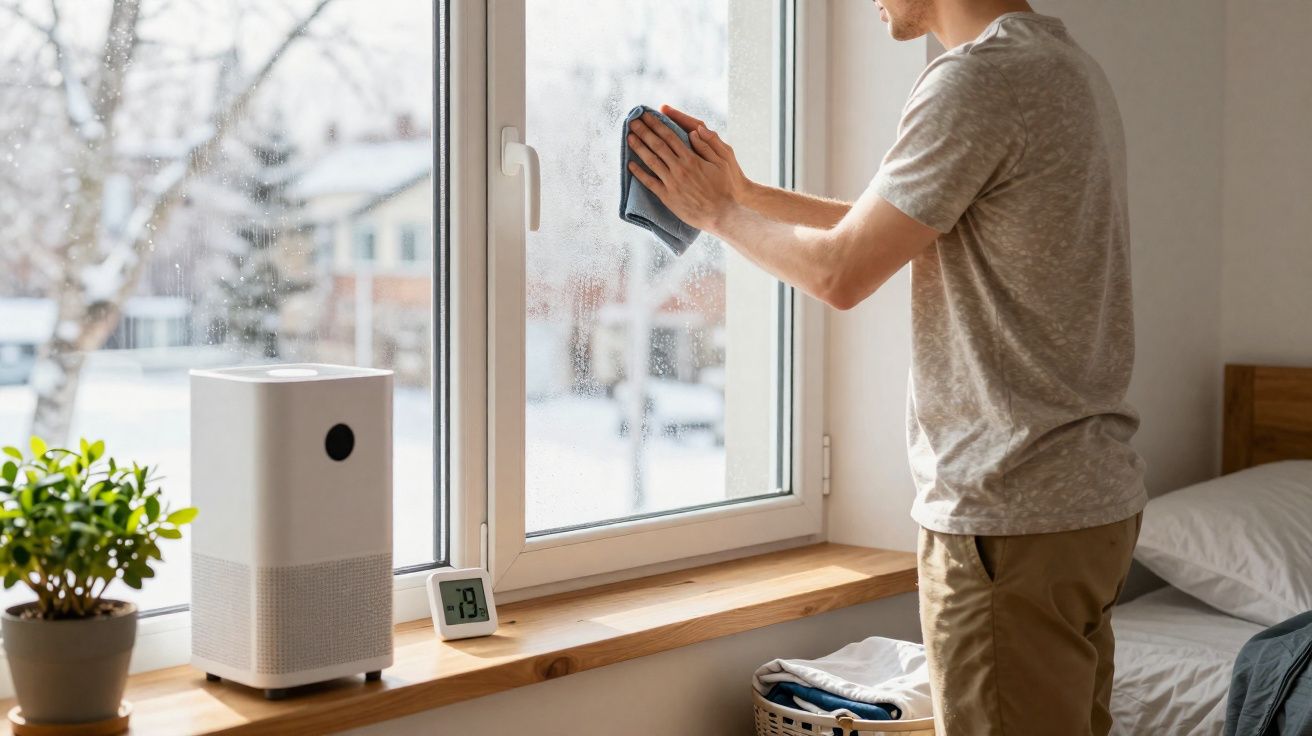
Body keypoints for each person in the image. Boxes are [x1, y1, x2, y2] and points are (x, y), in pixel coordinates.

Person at [626, 0, 1146, 733]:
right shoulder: (1063, 67)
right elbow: (907, 221)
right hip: (1086, 506)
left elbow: (842, 273)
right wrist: (744, 194)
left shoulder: (976, 80)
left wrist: (718, 217)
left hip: (1009, 513)